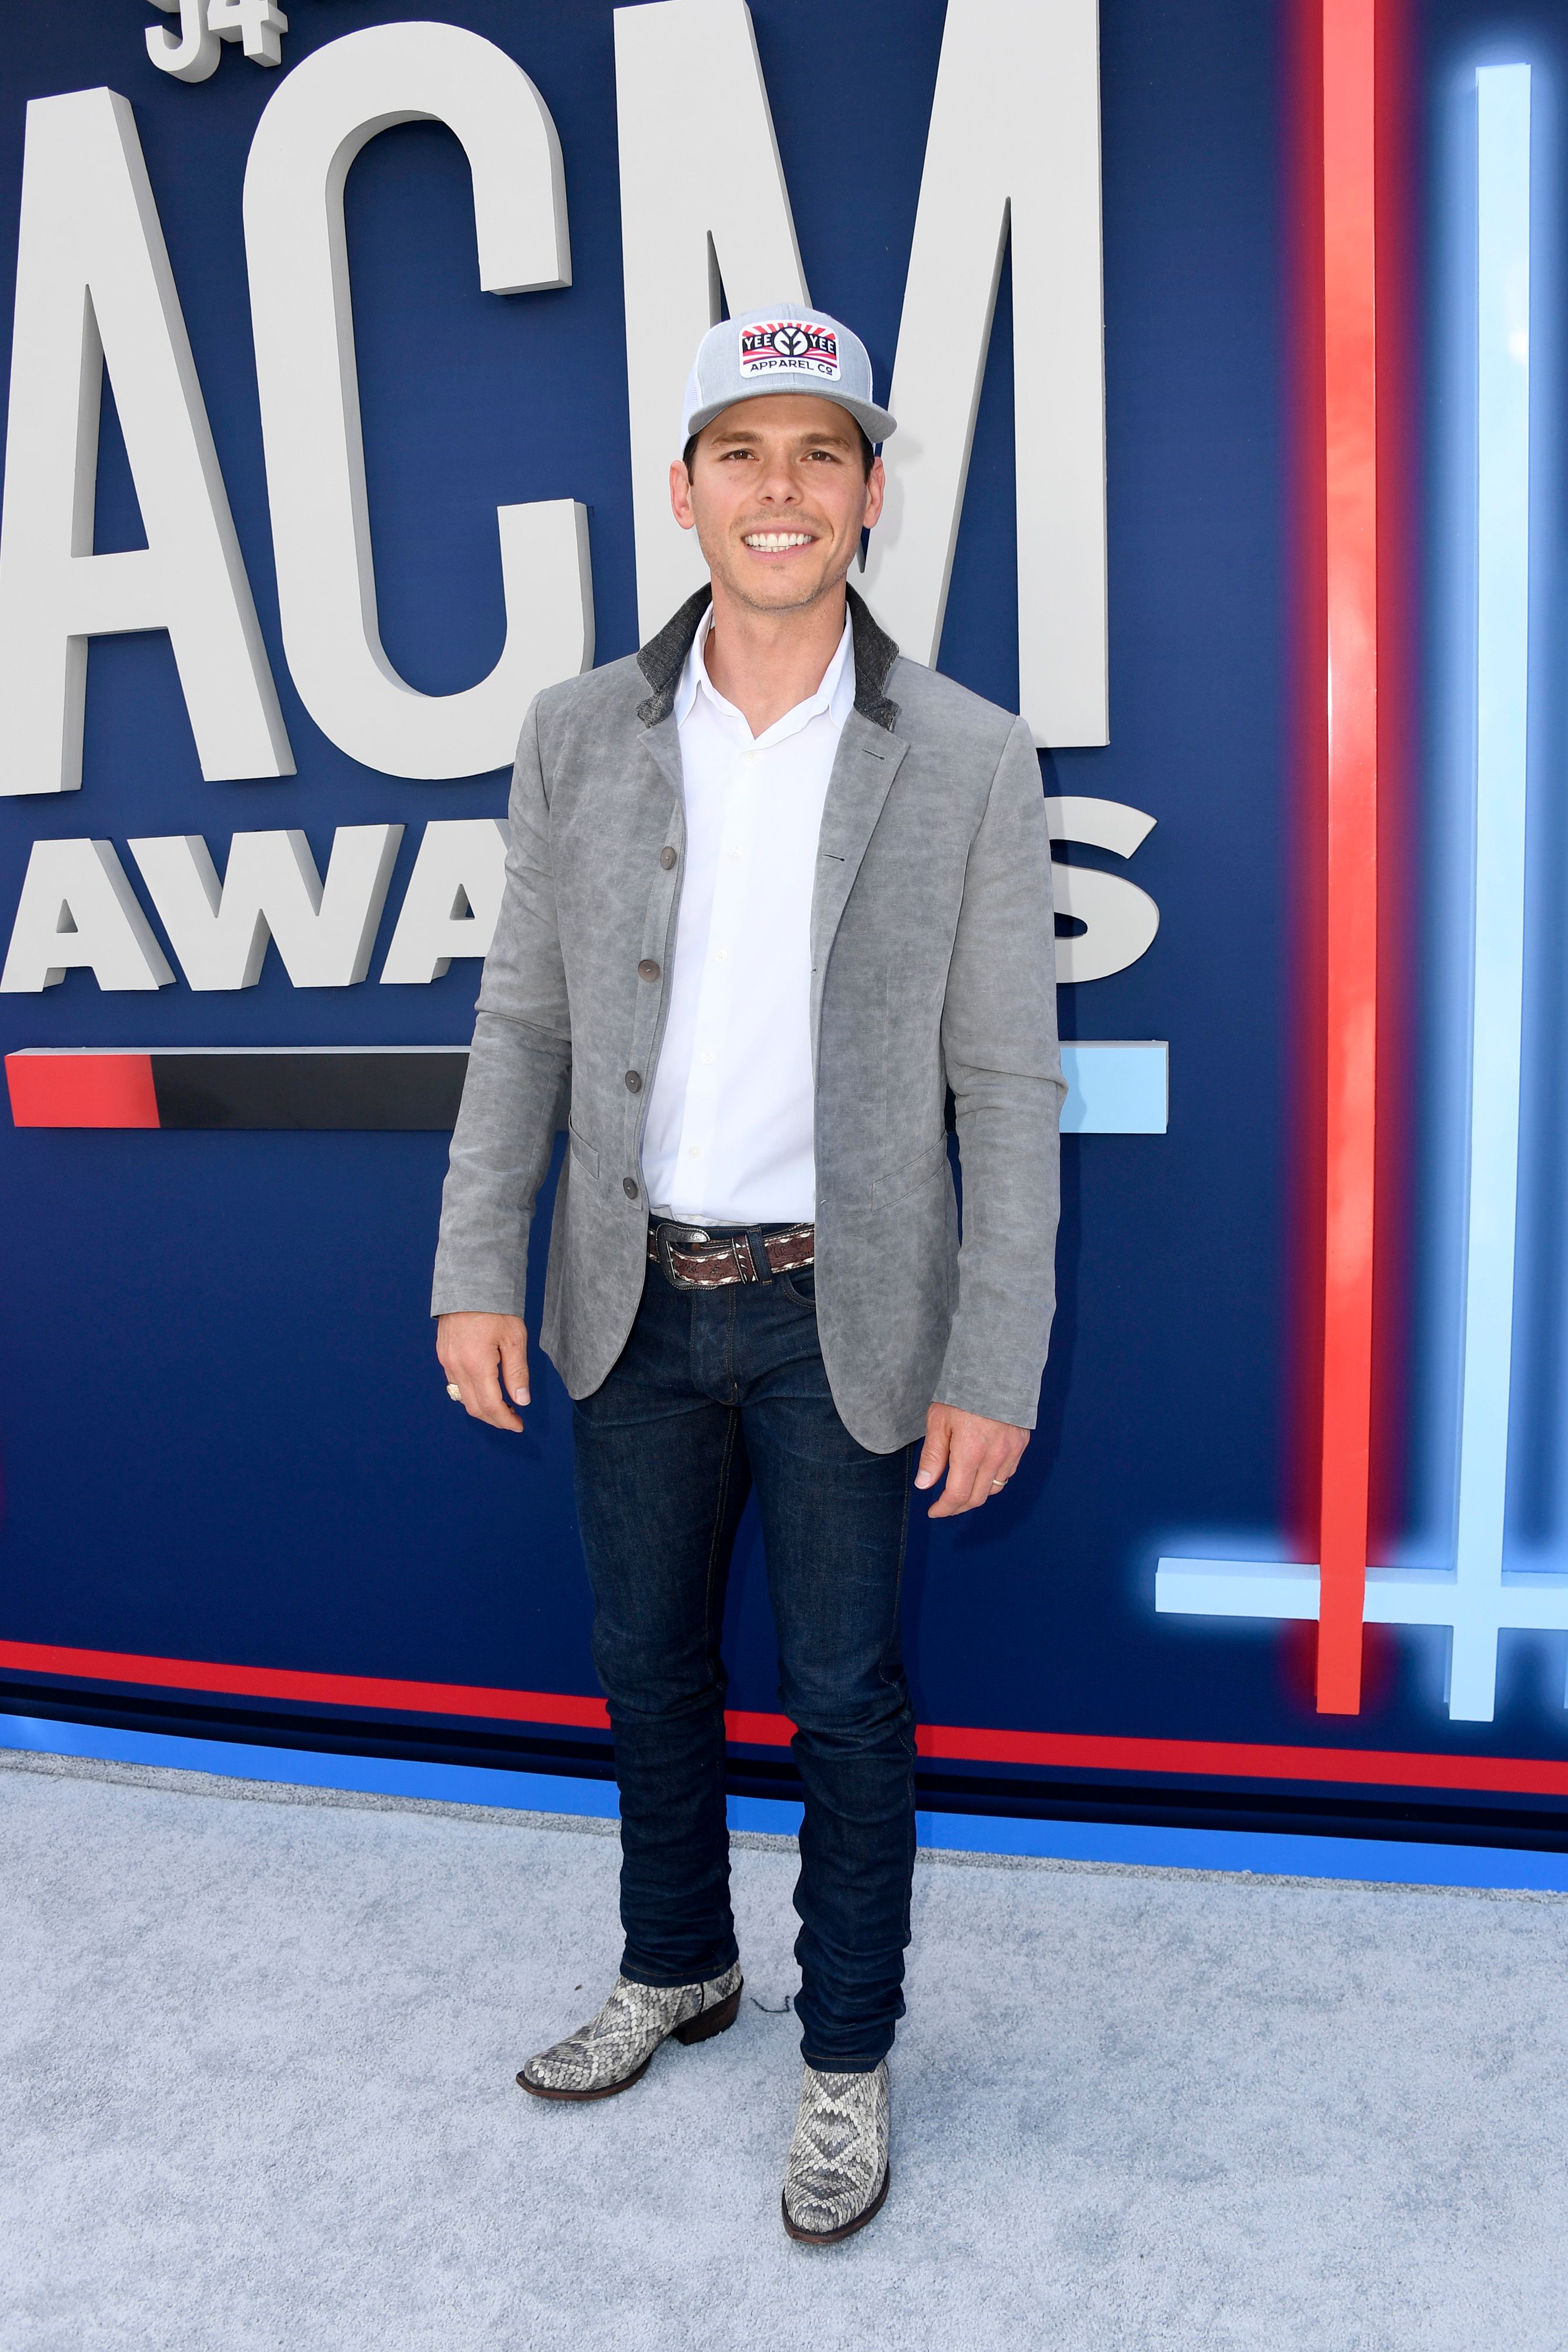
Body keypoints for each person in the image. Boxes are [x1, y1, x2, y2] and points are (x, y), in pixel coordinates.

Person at [432, 306, 1062, 2245]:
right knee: (643, 1666)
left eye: (817, 454)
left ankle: (844, 2062)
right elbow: (522, 1021)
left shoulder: (963, 751)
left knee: (848, 1697)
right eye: (741, 452)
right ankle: (676, 1961)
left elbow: (1006, 1080)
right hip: (629, 1292)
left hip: (841, 1310)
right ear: (683, 489)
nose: (776, 491)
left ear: (868, 494)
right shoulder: (575, 733)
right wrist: (476, 1258)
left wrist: (999, 1352)